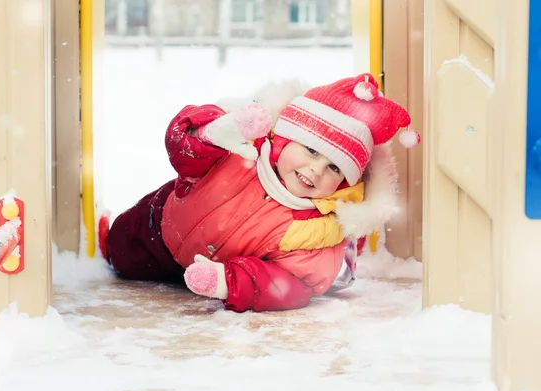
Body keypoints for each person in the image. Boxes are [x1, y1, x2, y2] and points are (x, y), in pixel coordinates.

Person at [98, 72, 420, 313]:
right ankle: (108, 237)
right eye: (310, 150)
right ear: (284, 138)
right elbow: (181, 147)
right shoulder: (242, 148)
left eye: (335, 168)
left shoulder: (318, 233)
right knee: (123, 253)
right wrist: (211, 134)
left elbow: (292, 285)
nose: (316, 170)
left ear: (345, 184)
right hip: (163, 222)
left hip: (218, 264)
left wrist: (229, 282)